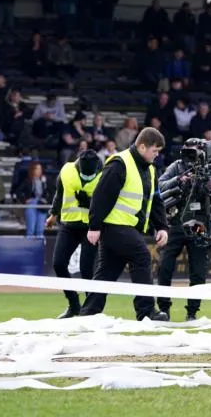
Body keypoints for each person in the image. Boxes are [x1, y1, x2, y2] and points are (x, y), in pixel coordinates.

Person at [79, 128, 170, 321]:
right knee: (142, 256)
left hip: (124, 228)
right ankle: (146, 311)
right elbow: (100, 195)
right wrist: (94, 226)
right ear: (142, 146)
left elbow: (155, 201)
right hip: (114, 226)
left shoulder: (150, 170)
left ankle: (87, 314)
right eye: (155, 150)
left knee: (106, 273)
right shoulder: (120, 164)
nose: (157, 154)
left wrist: (162, 226)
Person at [156, 139, 211, 322]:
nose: (191, 155)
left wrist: (210, 186)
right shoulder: (177, 166)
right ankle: (164, 309)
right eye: (188, 151)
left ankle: (192, 313)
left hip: (200, 223)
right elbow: (160, 185)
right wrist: (179, 179)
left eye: (194, 152)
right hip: (176, 221)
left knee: (198, 271)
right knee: (164, 268)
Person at [45, 150, 103, 318]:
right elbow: (59, 194)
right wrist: (53, 215)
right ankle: (74, 304)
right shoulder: (67, 170)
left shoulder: (103, 175)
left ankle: (91, 310)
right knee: (58, 263)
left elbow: (108, 201)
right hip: (68, 225)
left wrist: (90, 203)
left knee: (87, 269)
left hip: (90, 228)